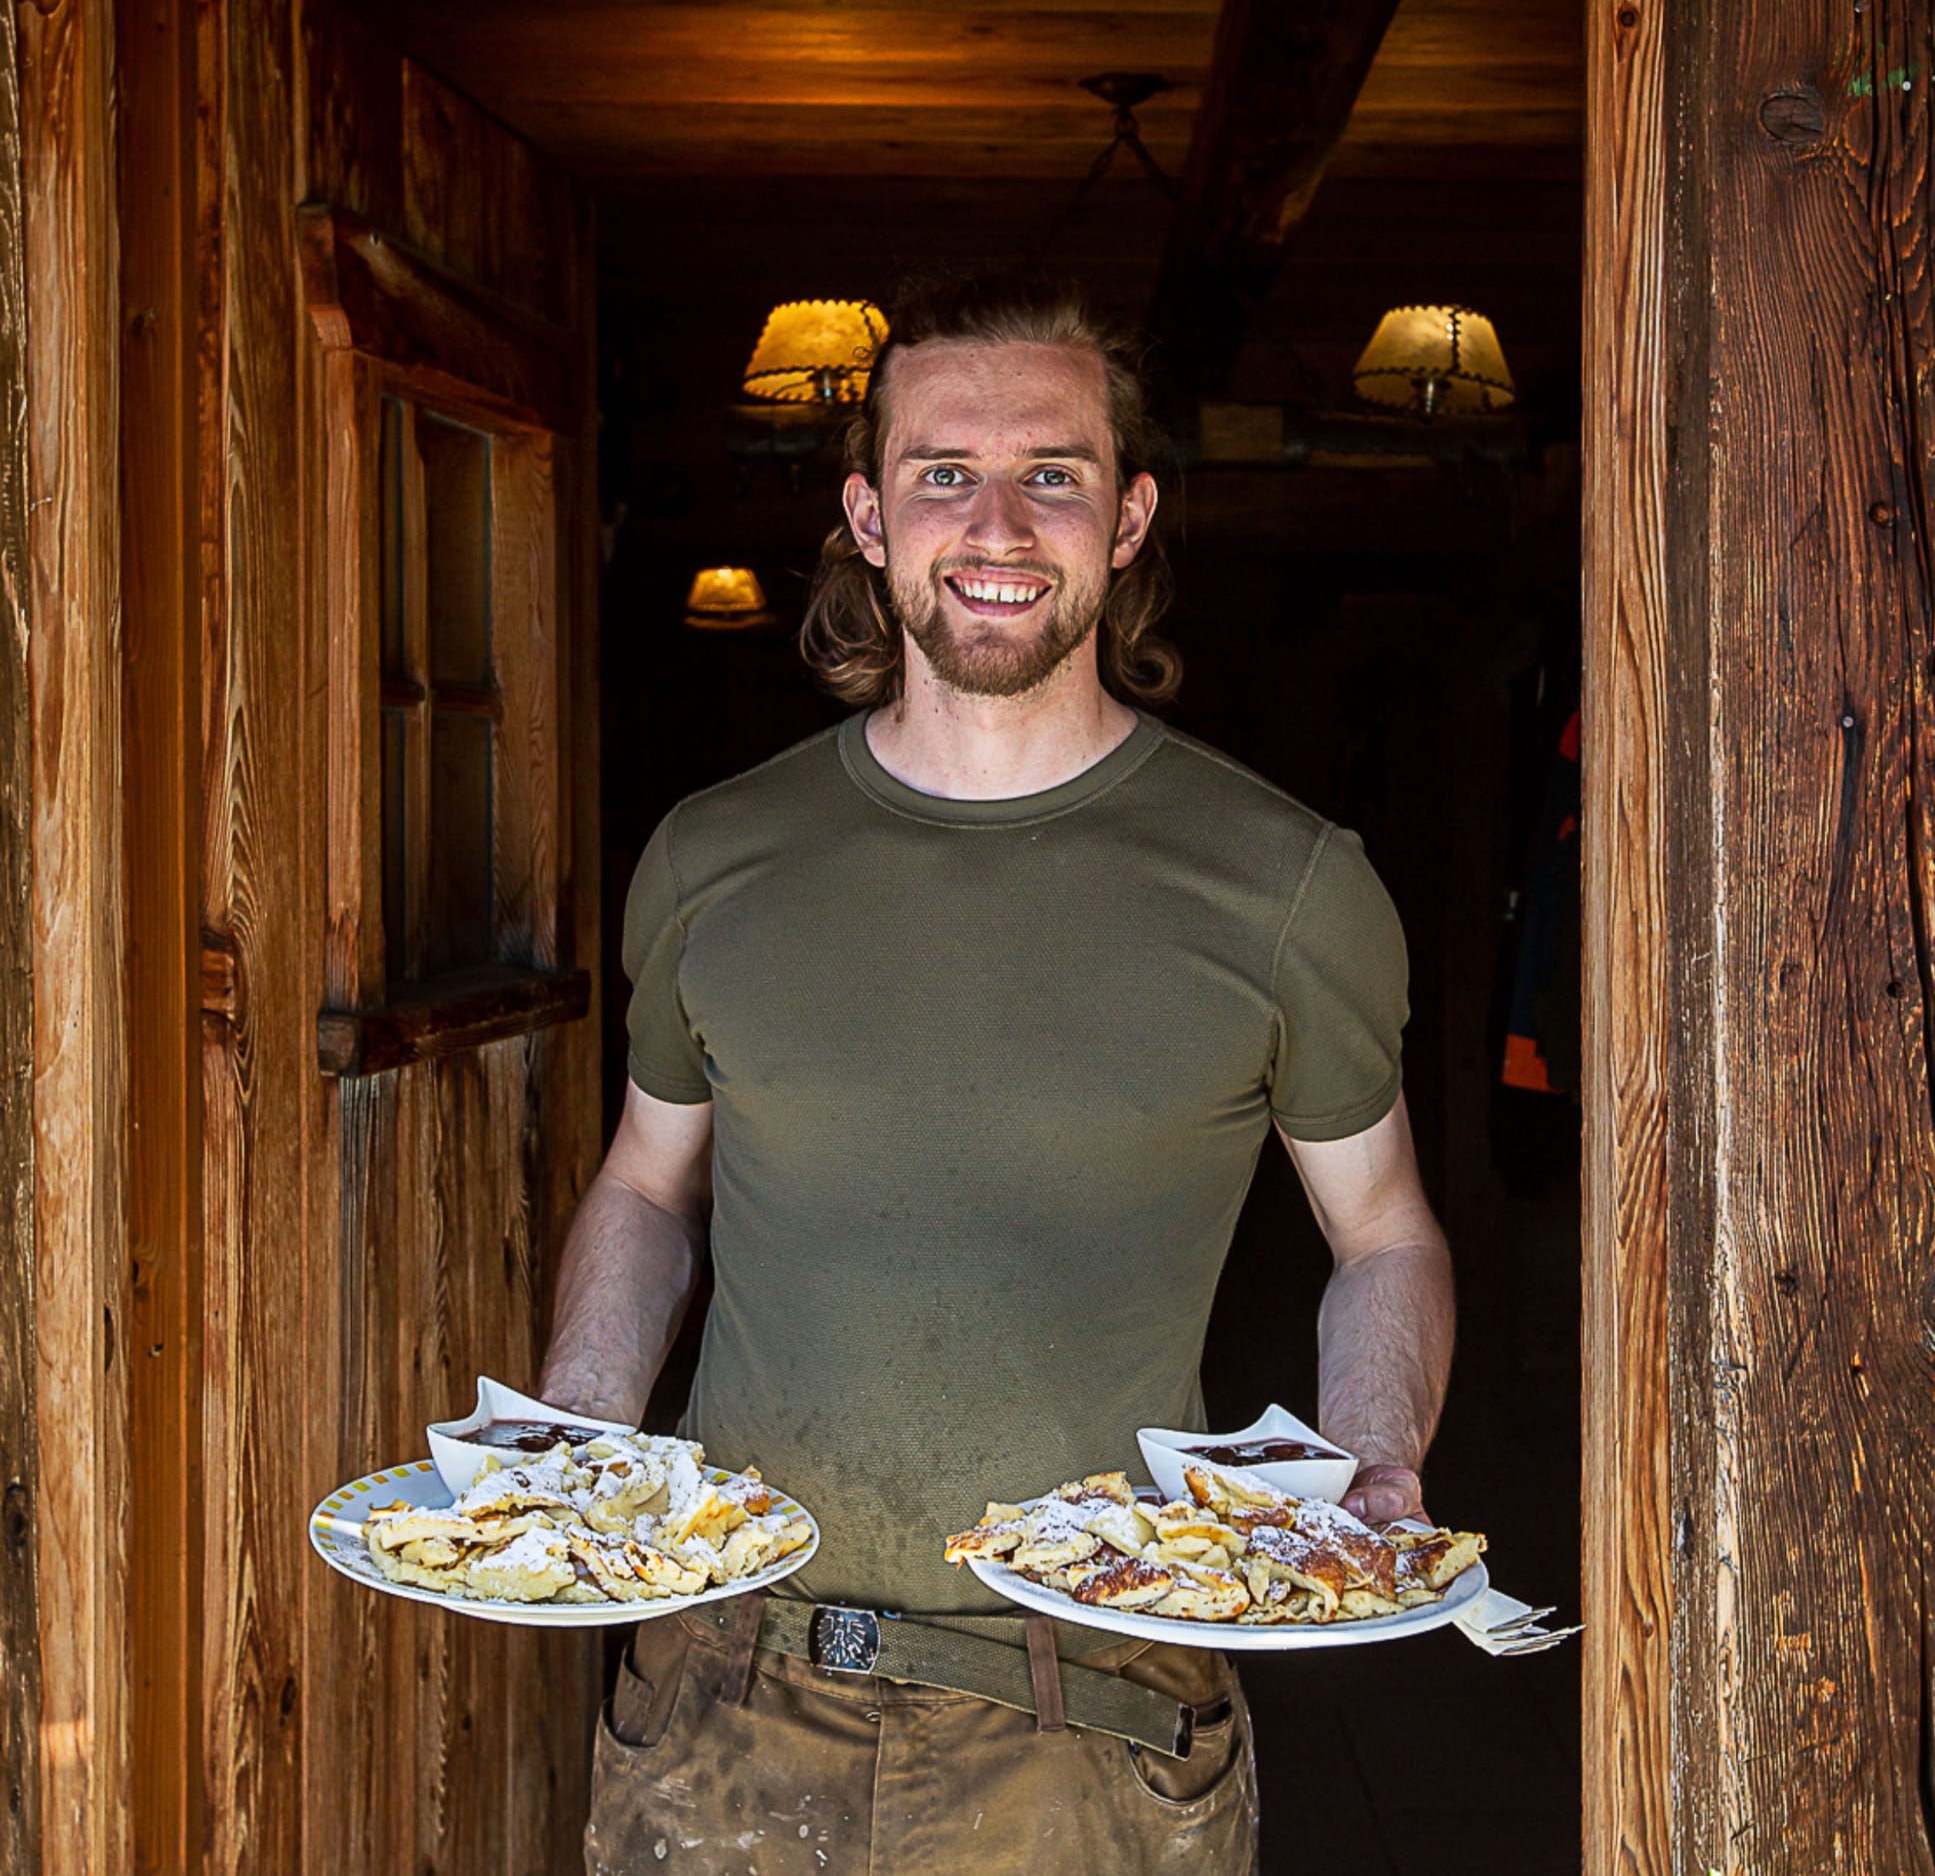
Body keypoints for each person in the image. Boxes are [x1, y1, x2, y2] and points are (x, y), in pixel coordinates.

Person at [544, 276, 1455, 1876]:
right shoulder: (715, 857)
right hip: (727, 1703)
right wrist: (576, 1430)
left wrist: (1374, 1461)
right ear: (869, 518)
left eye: (1055, 473)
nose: (998, 521)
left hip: (1094, 1730)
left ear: (1129, 518)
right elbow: (643, 1181)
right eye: (943, 473)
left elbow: (1381, 1230)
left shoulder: (1286, 884)